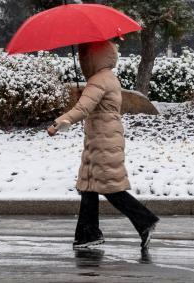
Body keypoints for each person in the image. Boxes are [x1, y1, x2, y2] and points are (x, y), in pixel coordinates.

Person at [48, 39, 160, 251]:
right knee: (88, 186)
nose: (82, 60)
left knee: (109, 187)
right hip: (102, 138)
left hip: (103, 140)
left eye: (84, 56)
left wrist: (58, 123)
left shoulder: (98, 80)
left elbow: (82, 109)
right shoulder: (107, 78)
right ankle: (87, 235)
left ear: (92, 57)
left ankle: (145, 221)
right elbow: (91, 107)